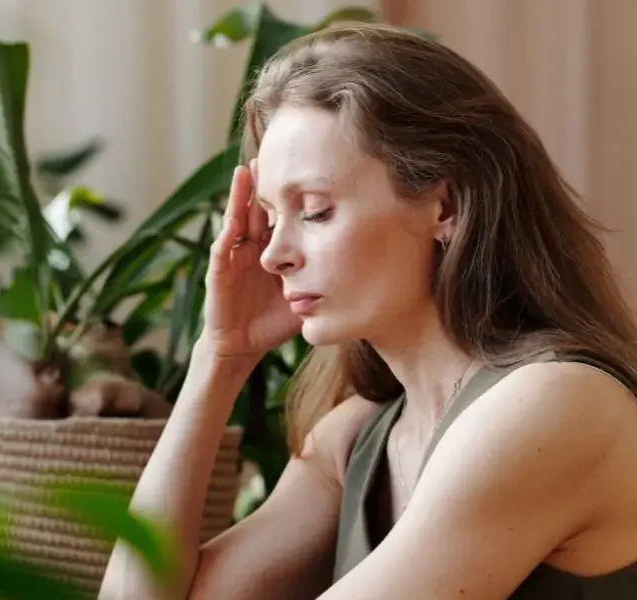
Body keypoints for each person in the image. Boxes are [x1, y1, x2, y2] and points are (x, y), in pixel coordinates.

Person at [99, 22, 637, 599]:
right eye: (271, 216)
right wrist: (220, 354)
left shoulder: (556, 403)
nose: (275, 255)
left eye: (315, 211)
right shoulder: (359, 434)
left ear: (446, 205)